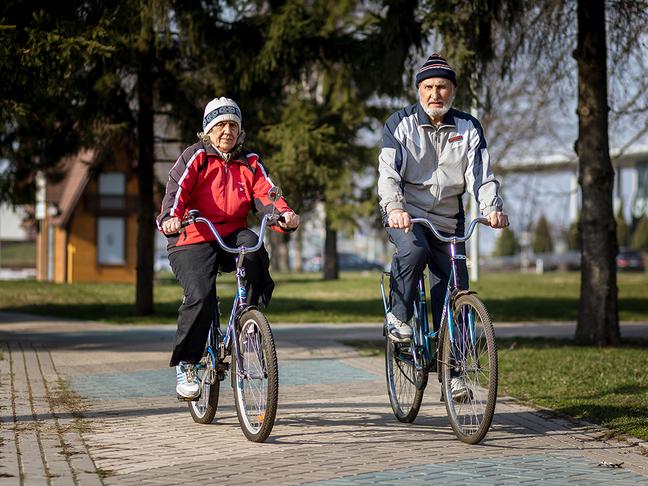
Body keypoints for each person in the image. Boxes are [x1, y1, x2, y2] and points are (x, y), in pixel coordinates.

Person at [377, 53, 509, 397]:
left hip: (450, 218)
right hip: (407, 213)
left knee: (454, 290)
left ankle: (455, 374)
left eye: (442, 86)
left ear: (453, 91)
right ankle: (400, 317)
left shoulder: (468, 127)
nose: (435, 93)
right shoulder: (400, 124)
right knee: (414, 249)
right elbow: (388, 173)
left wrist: (491, 208)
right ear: (419, 90)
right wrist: (394, 207)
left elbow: (481, 175)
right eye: (429, 87)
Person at [157, 97, 300, 399]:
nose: (227, 131)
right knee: (201, 294)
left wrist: (283, 214)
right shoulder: (195, 157)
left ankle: (248, 318)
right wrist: (171, 218)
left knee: (254, 247)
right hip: (192, 236)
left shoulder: (249, 161)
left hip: (232, 234)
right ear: (208, 130)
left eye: (233, 125)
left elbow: (267, 194)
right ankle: (188, 363)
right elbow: (176, 192)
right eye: (220, 125)